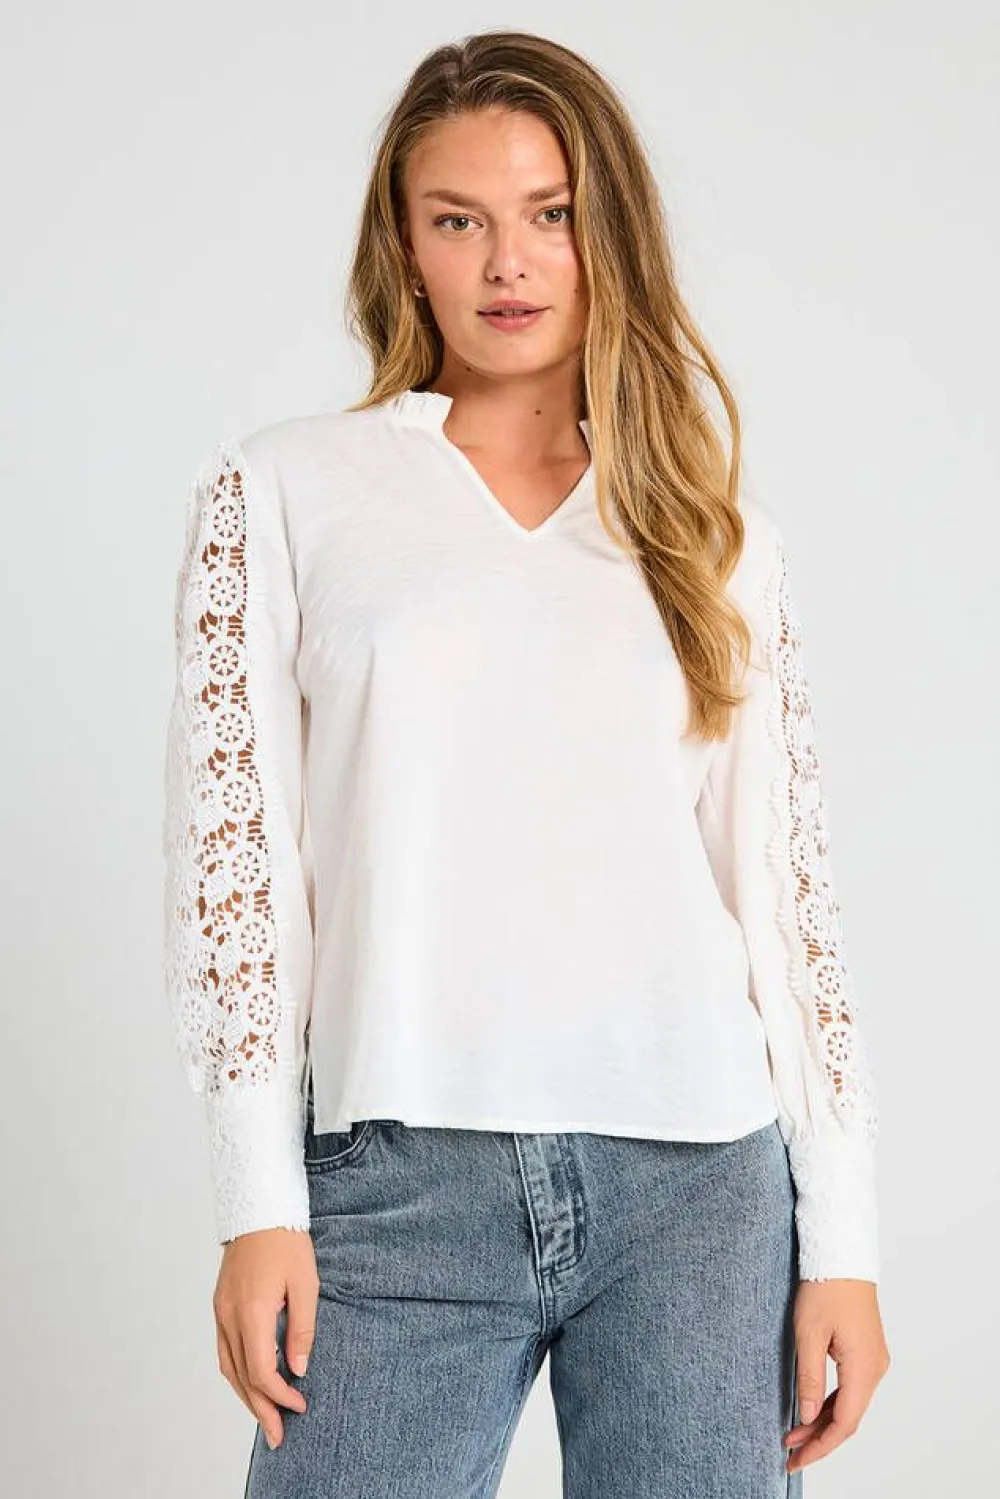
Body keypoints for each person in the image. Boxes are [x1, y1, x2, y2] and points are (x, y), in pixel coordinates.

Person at [162, 28, 890, 1498]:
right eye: (459, 220)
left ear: (606, 229)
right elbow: (235, 870)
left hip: (700, 1190)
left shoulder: (710, 532)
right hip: (395, 1178)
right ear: (404, 245)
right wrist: (256, 1198)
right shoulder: (286, 491)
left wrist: (847, 1244)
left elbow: (786, 899)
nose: (508, 262)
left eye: (549, 214)